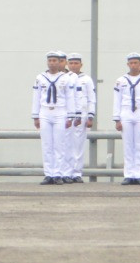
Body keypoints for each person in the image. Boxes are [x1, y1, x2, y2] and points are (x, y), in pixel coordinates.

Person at [113, 53, 140, 185]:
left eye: (136, 63)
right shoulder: (121, 80)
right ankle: (129, 174)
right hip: (126, 111)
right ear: (128, 64)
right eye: (131, 63)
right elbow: (117, 100)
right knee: (128, 144)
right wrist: (117, 119)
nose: (134, 65)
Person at [32, 51, 73, 184]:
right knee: (47, 144)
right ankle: (48, 173)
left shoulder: (65, 78)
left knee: (59, 144)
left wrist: (71, 116)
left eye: (55, 61)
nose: (52, 63)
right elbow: (36, 97)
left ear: (59, 62)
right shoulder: (40, 77)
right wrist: (35, 116)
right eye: (50, 61)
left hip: (60, 112)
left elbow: (70, 98)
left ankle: (58, 173)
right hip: (45, 112)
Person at [62, 52, 94, 183]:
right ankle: (66, 171)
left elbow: (91, 98)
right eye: (71, 63)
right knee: (66, 144)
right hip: (68, 115)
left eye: (76, 63)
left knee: (78, 144)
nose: (73, 65)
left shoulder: (86, 79)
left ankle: (76, 172)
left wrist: (91, 115)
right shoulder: (64, 78)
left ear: (81, 64)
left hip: (82, 115)